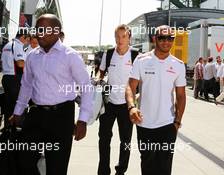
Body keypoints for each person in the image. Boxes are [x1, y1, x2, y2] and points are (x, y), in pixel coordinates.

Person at [10, 14, 92, 175]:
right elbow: (26, 85)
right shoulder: (32, 56)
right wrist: (17, 112)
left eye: (43, 29)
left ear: (56, 31)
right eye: (37, 29)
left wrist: (82, 120)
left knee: (57, 166)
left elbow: (86, 87)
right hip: (36, 114)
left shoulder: (71, 56)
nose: (38, 33)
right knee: (24, 160)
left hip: (61, 117)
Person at [125, 25, 186, 175]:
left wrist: (177, 121)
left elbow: (181, 96)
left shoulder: (178, 65)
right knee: (147, 166)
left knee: (165, 168)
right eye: (162, 38)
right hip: (144, 124)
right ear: (155, 39)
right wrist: (132, 107)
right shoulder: (141, 60)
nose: (166, 42)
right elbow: (130, 87)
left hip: (167, 125)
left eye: (170, 38)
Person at [96, 24, 138, 175]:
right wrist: (97, 81)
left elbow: (142, 79)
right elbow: (101, 73)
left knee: (125, 141)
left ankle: (121, 170)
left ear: (129, 38)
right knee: (103, 139)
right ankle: (103, 170)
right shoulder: (108, 54)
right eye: (117, 37)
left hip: (127, 105)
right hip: (108, 103)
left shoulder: (135, 55)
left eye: (123, 37)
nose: (120, 40)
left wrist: (137, 98)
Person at [1, 28, 29, 126]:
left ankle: (7, 128)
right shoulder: (18, 45)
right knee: (19, 105)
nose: (27, 42)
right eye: (27, 39)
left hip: (6, 78)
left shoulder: (7, 45)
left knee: (8, 105)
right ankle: (17, 129)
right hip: (15, 79)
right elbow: (20, 63)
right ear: (22, 37)